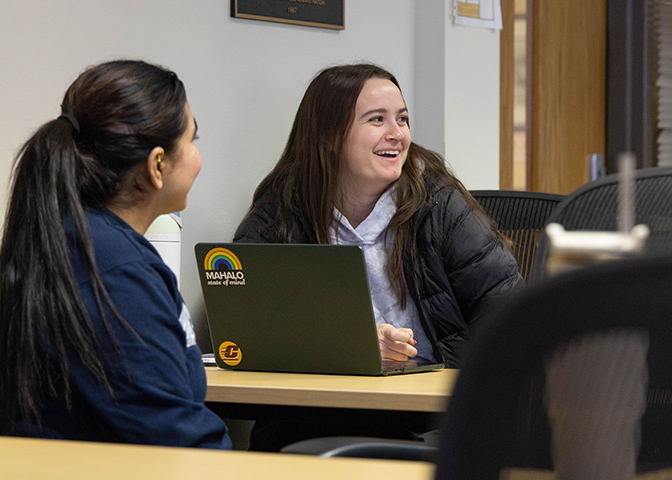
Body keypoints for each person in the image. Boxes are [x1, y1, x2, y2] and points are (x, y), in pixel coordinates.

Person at [233, 63, 523, 450]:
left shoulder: (438, 204)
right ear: (328, 135)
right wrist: (351, 345)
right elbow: (245, 321)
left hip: (431, 418)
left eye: (402, 119)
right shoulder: (282, 210)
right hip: (315, 414)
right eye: (377, 119)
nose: (397, 134)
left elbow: (508, 312)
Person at [0, 60, 231, 448]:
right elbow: (176, 436)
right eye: (192, 140)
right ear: (157, 164)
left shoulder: (78, 240)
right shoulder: (113, 268)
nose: (197, 157)